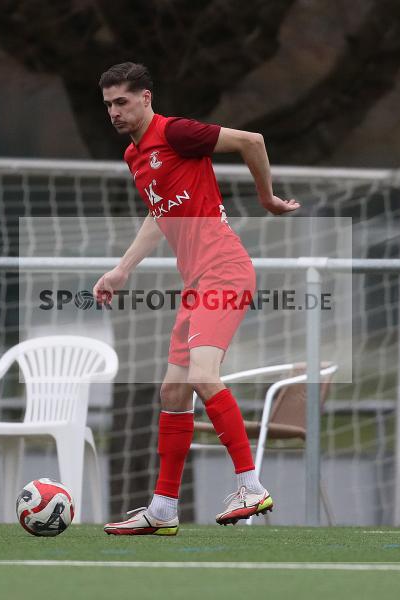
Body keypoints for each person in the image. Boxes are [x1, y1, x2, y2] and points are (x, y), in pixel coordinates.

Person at [93, 62, 300, 535]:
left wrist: (266, 199)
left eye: (122, 101)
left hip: (225, 272)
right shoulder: (135, 156)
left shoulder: (178, 133)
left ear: (146, 98)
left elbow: (253, 141)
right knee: (172, 390)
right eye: (108, 105)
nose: (114, 112)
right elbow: (159, 214)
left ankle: (251, 486)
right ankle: (163, 508)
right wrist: (123, 269)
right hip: (197, 284)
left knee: (204, 376)